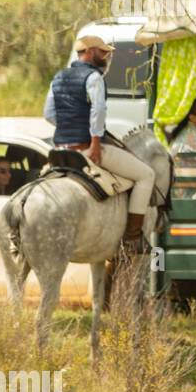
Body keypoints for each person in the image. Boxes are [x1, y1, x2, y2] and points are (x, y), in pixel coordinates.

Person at [43, 36, 156, 254]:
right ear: (90, 51)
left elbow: (48, 114)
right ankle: (133, 237)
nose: (107, 56)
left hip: (59, 150)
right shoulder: (94, 77)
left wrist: (69, 124)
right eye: (103, 52)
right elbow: (98, 112)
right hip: (87, 147)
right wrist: (94, 142)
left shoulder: (58, 77)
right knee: (146, 175)